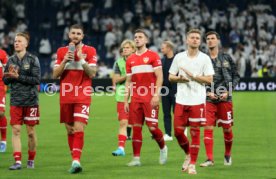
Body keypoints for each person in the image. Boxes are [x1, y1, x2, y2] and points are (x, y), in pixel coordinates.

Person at [169, 29, 214, 174]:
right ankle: (188, 154)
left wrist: (193, 75)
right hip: (181, 100)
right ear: (187, 40)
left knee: (195, 133)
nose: (195, 40)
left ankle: (192, 164)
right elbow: (170, 77)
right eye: (192, 37)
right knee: (177, 132)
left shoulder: (205, 58)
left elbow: (209, 80)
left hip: (197, 101)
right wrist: (180, 79)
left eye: (197, 38)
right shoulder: (179, 57)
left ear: (200, 41)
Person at [53, 24, 97, 174]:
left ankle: (76, 160)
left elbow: (92, 74)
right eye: (73, 33)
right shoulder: (61, 51)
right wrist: (65, 60)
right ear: (69, 35)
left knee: (78, 128)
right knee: (70, 130)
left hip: (82, 95)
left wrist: (82, 60)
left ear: (82, 36)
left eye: (79, 33)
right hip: (66, 95)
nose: (75, 36)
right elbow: (55, 75)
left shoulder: (90, 51)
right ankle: (75, 160)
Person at [124, 29, 168, 167]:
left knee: (152, 127)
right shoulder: (130, 59)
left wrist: (156, 94)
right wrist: (126, 99)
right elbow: (128, 81)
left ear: (146, 40)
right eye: (135, 37)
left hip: (150, 97)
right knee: (136, 128)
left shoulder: (153, 56)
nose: (137, 39)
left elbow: (160, 76)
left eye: (140, 37)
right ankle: (136, 159)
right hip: (135, 99)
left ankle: (163, 148)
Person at [200, 31, 240, 167]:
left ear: (218, 41)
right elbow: (198, 79)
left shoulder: (227, 57)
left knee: (227, 129)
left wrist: (228, 91)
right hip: (209, 99)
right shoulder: (203, 59)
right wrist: (207, 92)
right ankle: (209, 159)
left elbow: (236, 76)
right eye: (208, 39)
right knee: (208, 126)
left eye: (212, 38)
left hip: (225, 99)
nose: (210, 41)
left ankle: (227, 154)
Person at [3, 32, 41, 170]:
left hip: (31, 100)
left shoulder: (33, 59)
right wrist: (9, 76)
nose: (16, 43)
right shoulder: (10, 60)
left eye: (19, 41)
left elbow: (36, 80)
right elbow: (5, 80)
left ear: (26, 44)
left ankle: (31, 159)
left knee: (30, 132)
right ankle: (18, 161)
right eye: (15, 41)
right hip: (16, 100)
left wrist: (18, 76)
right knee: (16, 130)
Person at [112, 39, 136, 156]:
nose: (125, 49)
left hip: (137, 95)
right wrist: (128, 75)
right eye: (124, 48)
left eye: (128, 47)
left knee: (138, 124)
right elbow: (116, 79)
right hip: (122, 96)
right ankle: (121, 148)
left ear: (133, 49)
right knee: (123, 122)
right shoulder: (119, 63)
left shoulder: (139, 61)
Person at [160, 40, 177, 141]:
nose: (161, 49)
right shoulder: (161, 61)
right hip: (165, 90)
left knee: (177, 113)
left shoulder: (178, 60)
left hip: (176, 90)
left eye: (163, 47)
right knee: (166, 113)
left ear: (169, 48)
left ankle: (181, 130)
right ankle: (168, 134)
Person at [0, 48, 8, 152]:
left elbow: (8, 69)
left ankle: (3, 141)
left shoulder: (2, 53)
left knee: (0, 113)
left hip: (0, 86)